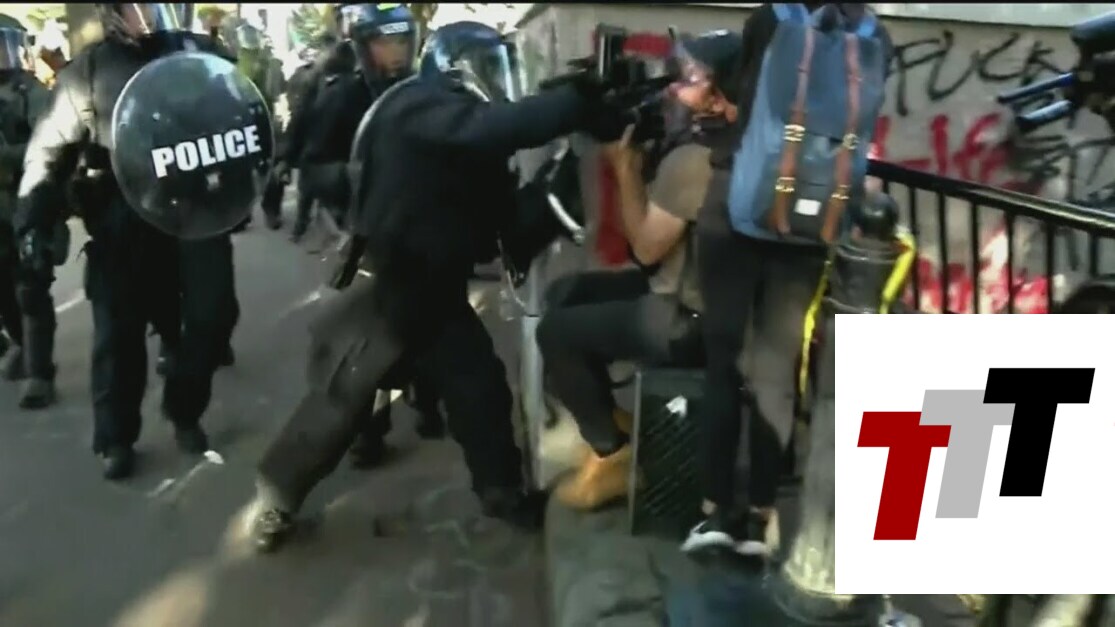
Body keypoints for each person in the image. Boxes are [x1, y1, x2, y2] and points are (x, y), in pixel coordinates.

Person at [247, 20, 603, 553]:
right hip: (394, 281)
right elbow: (495, 128)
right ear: (454, 70)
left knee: (475, 388)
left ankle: (501, 494)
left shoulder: (457, 126)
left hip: (434, 286)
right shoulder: (417, 105)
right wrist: (575, 103)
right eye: (485, 69)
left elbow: (496, 220)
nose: (493, 80)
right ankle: (277, 497)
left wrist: (557, 186)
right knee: (346, 396)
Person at [683, 2, 893, 557]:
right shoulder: (875, 34)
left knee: (724, 360)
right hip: (816, 213)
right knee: (777, 369)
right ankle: (761, 518)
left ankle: (715, 513)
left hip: (739, 203)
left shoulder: (772, 17)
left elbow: (749, 102)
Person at [17, 3, 240, 480]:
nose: (148, 15)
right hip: (123, 219)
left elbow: (239, 116)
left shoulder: (198, 55)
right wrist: (32, 221)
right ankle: (116, 437)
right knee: (118, 336)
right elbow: (48, 151)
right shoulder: (89, 72)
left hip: (195, 211)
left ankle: (184, 408)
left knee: (213, 315)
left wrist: (245, 183)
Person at [538, 31, 742, 512]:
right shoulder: (742, 140)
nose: (673, 88)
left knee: (556, 332)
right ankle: (612, 421)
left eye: (688, 80)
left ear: (721, 95)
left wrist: (625, 171)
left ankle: (611, 453)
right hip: (717, 297)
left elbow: (646, 251)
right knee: (567, 292)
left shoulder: (696, 161)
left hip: (692, 318)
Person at [0, 17, 54, 408]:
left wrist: (6, 157)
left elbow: (47, 144)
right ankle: (20, 343)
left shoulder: (31, 92)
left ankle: (39, 373)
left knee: (31, 286)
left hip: (26, 199)